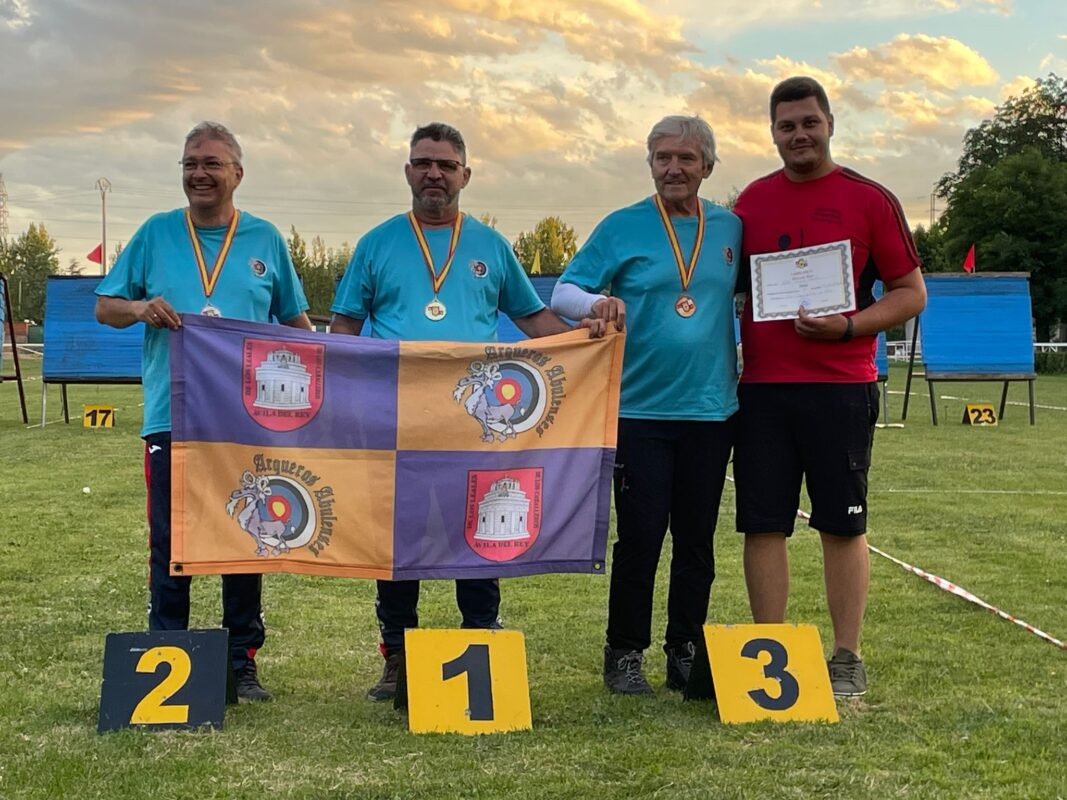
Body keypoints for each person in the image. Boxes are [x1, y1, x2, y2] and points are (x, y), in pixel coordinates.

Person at [331, 122, 604, 702]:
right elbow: (344, 330)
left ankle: (480, 639)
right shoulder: (376, 244)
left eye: (446, 165)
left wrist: (590, 341)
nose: (434, 174)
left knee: (481, 534)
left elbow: (535, 323)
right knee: (397, 543)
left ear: (466, 175)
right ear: (408, 170)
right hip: (397, 423)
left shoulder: (490, 246)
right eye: (423, 162)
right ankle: (397, 655)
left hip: (477, 427)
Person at [95, 121, 312, 701]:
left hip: (249, 420)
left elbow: (295, 323)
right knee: (172, 542)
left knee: (249, 536)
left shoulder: (266, 240)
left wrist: (328, 374)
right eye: (191, 163)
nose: (199, 173)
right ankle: (168, 652)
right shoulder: (155, 234)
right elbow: (104, 308)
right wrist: (139, 309)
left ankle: (241, 663)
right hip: (174, 417)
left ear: (237, 173)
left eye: (212, 163)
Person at [733, 77, 927, 697]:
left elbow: (910, 294)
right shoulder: (750, 204)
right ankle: (773, 650)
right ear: (772, 133)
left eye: (808, 122)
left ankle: (846, 655)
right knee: (763, 524)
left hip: (840, 389)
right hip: (761, 388)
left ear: (831, 124)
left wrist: (848, 327)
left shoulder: (870, 199)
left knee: (843, 524)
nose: (798, 135)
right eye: (786, 126)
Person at [552, 115, 740, 694]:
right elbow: (562, 292)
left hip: (711, 412)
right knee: (639, 538)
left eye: (685, 158)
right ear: (650, 163)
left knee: (697, 539)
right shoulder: (623, 226)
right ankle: (624, 652)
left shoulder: (732, 229)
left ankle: (684, 649)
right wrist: (596, 302)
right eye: (662, 158)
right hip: (637, 412)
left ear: (708, 165)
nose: (673, 168)